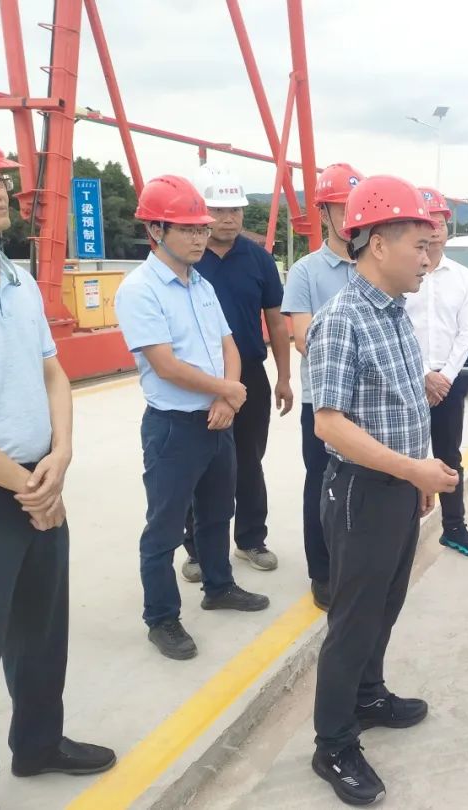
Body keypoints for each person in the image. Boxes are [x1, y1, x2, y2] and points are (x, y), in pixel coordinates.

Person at [0, 106, 115, 810]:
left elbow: (52, 372)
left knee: (40, 634)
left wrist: (60, 455)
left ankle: (38, 744)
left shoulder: (15, 276)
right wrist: (26, 486)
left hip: (38, 479)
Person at [306, 175, 459, 805]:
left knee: (386, 604)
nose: (428, 257)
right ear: (377, 244)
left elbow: (400, 403)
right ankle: (333, 743)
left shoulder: (394, 312)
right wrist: (411, 471)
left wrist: (416, 474)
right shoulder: (342, 319)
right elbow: (330, 423)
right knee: (353, 619)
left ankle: (367, 695)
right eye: (418, 245)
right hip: (362, 493)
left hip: (396, 487)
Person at [115, 175, 270, 662]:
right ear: (155, 231)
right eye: (188, 229)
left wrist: (228, 399)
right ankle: (161, 617)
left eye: (202, 228)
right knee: (163, 528)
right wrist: (226, 390)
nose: (201, 237)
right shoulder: (140, 290)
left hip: (217, 420)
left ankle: (219, 587)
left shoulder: (200, 283)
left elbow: (228, 345)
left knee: (217, 512)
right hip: (174, 427)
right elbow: (165, 364)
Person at [177, 165, 293, 583]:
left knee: (248, 460)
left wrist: (284, 377)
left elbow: (276, 322)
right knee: (199, 463)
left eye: (236, 210)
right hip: (199, 381)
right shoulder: (188, 258)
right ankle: (196, 548)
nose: (229, 218)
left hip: (250, 379)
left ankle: (250, 539)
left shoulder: (258, 259)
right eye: (220, 210)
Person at [281, 162, 363, 611]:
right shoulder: (306, 272)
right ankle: (323, 571)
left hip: (369, 404)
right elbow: (302, 338)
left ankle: (357, 565)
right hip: (324, 401)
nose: (350, 216)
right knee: (322, 485)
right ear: (323, 213)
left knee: (366, 485)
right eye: (341, 207)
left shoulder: (375, 265)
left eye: (357, 206)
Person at [404, 186, 468, 557]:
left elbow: (467, 332)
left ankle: (453, 527)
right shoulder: (403, 274)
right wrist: (423, 374)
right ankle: (402, 528)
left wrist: (445, 377)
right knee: (406, 455)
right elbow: (398, 326)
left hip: (449, 382)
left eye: (440, 222)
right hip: (407, 379)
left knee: (449, 455)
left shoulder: (463, 277)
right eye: (427, 222)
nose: (434, 229)